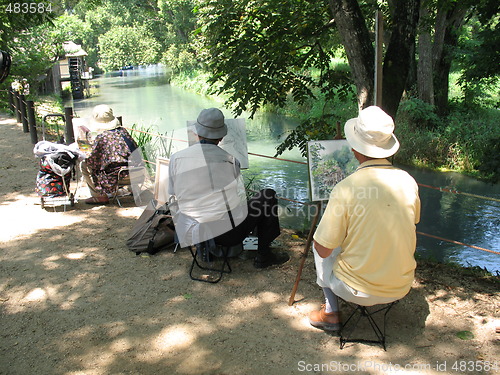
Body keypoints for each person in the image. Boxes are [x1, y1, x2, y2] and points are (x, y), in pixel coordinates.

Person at [308, 106, 421, 331]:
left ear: (354, 148)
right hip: (401, 285)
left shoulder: (346, 188)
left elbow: (323, 249)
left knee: (320, 243)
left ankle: (331, 313)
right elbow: (412, 222)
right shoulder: (408, 181)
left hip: (357, 289)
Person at [168, 108, 289, 269]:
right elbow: (238, 201)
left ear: (197, 132)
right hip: (225, 234)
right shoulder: (231, 161)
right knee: (267, 195)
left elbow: (172, 194)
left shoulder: (176, 159)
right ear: (221, 137)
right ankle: (263, 256)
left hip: (190, 231)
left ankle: (205, 250)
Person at [81, 104, 138, 204]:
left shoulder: (102, 137)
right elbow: (136, 151)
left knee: (84, 164)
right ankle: (132, 188)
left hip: (115, 177)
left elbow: (92, 159)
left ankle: (99, 196)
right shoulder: (123, 132)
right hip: (136, 173)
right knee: (126, 161)